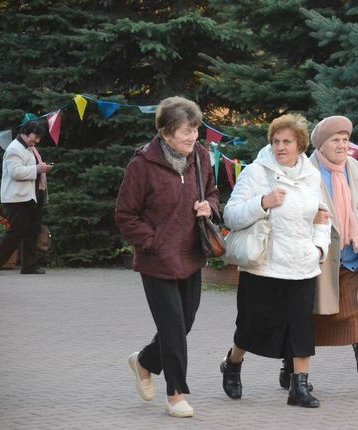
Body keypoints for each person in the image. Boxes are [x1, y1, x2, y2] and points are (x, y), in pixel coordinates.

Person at [115, 96, 219, 418]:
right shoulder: (142, 166)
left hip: (191, 255)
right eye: (187, 131)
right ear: (165, 132)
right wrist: (152, 242)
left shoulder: (201, 158)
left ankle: (144, 361)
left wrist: (209, 207)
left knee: (184, 323)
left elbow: (213, 193)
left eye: (196, 129)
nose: (194, 137)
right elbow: (125, 214)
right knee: (173, 327)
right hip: (157, 260)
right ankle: (176, 395)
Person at [220, 113, 331, 408]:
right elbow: (230, 215)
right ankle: (232, 363)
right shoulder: (257, 172)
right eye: (276, 141)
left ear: (300, 145)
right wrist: (262, 203)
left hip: (302, 265)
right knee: (252, 327)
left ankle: (299, 388)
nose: (281, 147)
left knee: (301, 328)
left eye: (287, 141)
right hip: (264, 266)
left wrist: (319, 249)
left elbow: (323, 218)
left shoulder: (312, 176)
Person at [290, 115, 358, 398]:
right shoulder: (304, 171)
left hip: (352, 258)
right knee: (307, 319)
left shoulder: (356, 169)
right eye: (336, 140)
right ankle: (293, 372)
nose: (342, 145)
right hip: (317, 261)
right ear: (320, 144)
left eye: (346, 140)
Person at [0, 120, 52, 276]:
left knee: (32, 230)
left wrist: (39, 168)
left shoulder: (29, 148)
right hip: (17, 198)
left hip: (31, 195)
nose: (36, 141)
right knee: (17, 230)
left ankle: (29, 266)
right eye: (35, 137)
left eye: (39, 138)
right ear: (26, 132)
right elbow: (15, 173)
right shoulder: (14, 149)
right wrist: (38, 168)